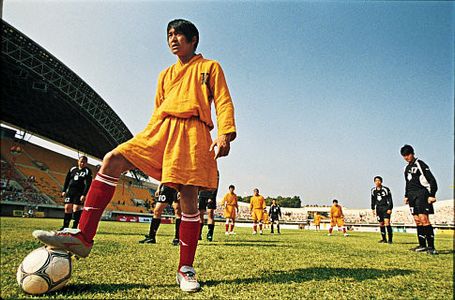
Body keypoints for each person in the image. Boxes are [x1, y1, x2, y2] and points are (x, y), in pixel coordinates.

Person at [33, 19, 236, 292]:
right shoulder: (164, 75)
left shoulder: (210, 67)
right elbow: (157, 108)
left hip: (193, 132)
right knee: (112, 159)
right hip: (161, 128)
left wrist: (225, 133)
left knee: (188, 197)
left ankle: (185, 268)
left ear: (193, 40)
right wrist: (148, 135)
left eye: (178, 35)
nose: (173, 39)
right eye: (169, 35)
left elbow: (223, 100)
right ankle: (83, 235)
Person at [401, 144, 438, 255]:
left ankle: (431, 247)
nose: (406, 157)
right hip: (412, 196)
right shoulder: (406, 168)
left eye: (408, 154)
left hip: (422, 194)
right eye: (404, 156)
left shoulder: (420, 164)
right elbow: (408, 183)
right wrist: (406, 195)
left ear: (412, 153)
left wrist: (432, 194)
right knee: (417, 220)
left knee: (424, 219)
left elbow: (432, 180)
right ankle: (422, 245)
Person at [60, 156, 92, 230]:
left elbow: (88, 184)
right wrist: (64, 190)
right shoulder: (73, 169)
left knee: (76, 208)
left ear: (86, 163)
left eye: (84, 162)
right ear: (78, 161)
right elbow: (67, 180)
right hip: (70, 191)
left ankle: (75, 227)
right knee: (67, 208)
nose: (82, 163)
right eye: (81, 161)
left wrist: (84, 194)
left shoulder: (87, 171)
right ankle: (65, 226)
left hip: (79, 192)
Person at [371, 176, 393, 244]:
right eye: (376, 181)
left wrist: (390, 208)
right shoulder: (373, 190)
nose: (377, 182)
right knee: (381, 223)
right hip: (378, 208)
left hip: (385, 207)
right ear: (374, 182)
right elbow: (373, 200)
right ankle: (384, 239)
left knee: (387, 223)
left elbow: (390, 199)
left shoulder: (385, 189)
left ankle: (390, 240)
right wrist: (373, 208)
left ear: (381, 181)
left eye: (379, 180)